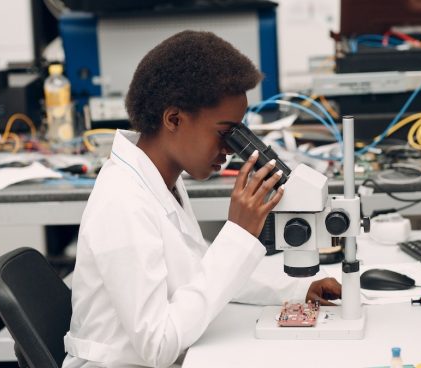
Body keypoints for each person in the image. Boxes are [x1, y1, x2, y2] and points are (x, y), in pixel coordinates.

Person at [62, 30, 341, 368]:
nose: (230, 149)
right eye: (225, 132)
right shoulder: (122, 202)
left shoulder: (161, 180)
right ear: (174, 119)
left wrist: (296, 291)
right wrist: (239, 234)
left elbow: (199, 273)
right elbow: (157, 345)